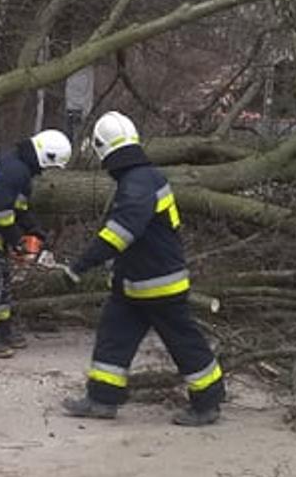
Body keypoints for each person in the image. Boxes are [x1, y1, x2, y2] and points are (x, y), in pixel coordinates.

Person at [57, 111, 224, 425]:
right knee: (112, 337)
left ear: (103, 149)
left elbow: (120, 233)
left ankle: (208, 402)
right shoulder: (140, 178)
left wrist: (80, 266)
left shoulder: (138, 183)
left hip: (158, 284)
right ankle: (101, 399)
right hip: (134, 283)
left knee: (183, 343)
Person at [0, 129, 73, 358]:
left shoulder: (20, 167)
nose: (46, 171)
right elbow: (0, 212)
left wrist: (34, 230)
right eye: (50, 166)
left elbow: (19, 208)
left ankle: (4, 332)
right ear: (46, 156)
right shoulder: (15, 170)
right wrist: (16, 239)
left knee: (2, 285)